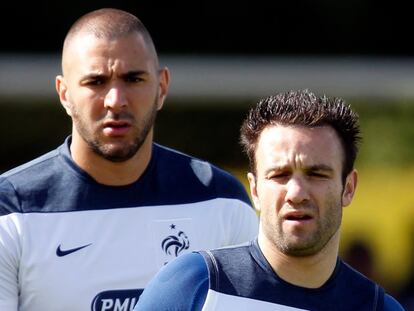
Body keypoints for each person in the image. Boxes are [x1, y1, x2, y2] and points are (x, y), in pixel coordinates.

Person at [0, 8, 258, 311]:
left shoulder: (222, 202)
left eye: (133, 79)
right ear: (64, 93)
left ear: (161, 87)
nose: (116, 100)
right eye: (95, 82)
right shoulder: (11, 210)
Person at [135, 89, 405, 310]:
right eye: (279, 175)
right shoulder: (193, 286)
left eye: (316, 174)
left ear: (348, 187)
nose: (296, 193)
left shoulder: (379, 308)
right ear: (254, 190)